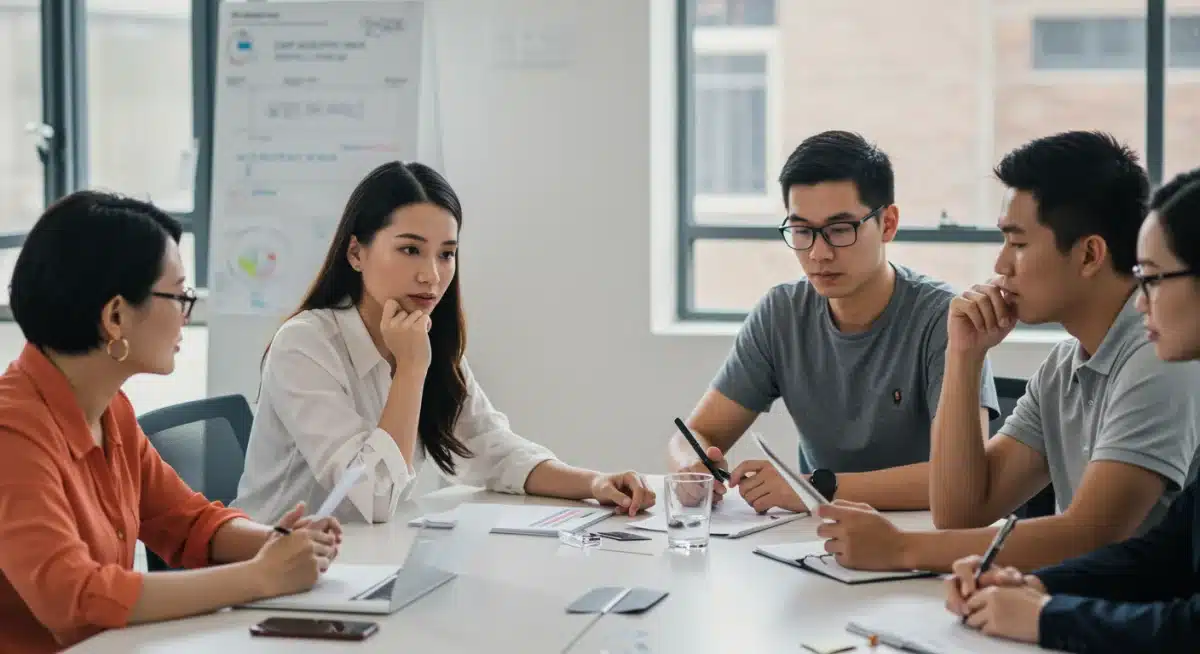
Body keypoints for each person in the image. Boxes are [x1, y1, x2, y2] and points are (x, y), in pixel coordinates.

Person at [814, 131, 1200, 574]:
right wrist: (964, 355)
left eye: (1017, 244)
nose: (1000, 265)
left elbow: (1090, 534)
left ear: (1090, 254)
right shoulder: (1063, 366)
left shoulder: (1159, 357)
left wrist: (902, 549)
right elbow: (961, 512)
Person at [0, 192, 342, 653]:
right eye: (179, 295)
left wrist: (281, 544)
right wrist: (260, 577)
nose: (186, 312)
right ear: (116, 316)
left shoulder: (110, 409)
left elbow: (186, 523)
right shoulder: (12, 432)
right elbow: (72, 596)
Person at [234, 161, 655, 524]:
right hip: (274, 570)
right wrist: (411, 369)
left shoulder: (422, 336)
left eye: (446, 254)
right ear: (356, 253)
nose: (432, 275)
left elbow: (494, 450)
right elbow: (374, 499)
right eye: (410, 250)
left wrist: (595, 483)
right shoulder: (305, 345)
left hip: (363, 561)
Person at [667, 130, 999, 514]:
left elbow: (963, 478)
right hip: (818, 538)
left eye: (840, 230)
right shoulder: (782, 314)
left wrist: (816, 488)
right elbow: (694, 434)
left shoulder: (943, 319)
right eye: (802, 231)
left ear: (888, 224)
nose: (819, 253)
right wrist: (689, 468)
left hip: (927, 534)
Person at [943, 167, 1200, 652]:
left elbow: (1190, 623)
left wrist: (1048, 617)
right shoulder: (1065, 361)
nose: (1141, 304)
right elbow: (1166, 557)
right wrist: (1036, 586)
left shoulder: (1163, 364)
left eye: (1152, 279)